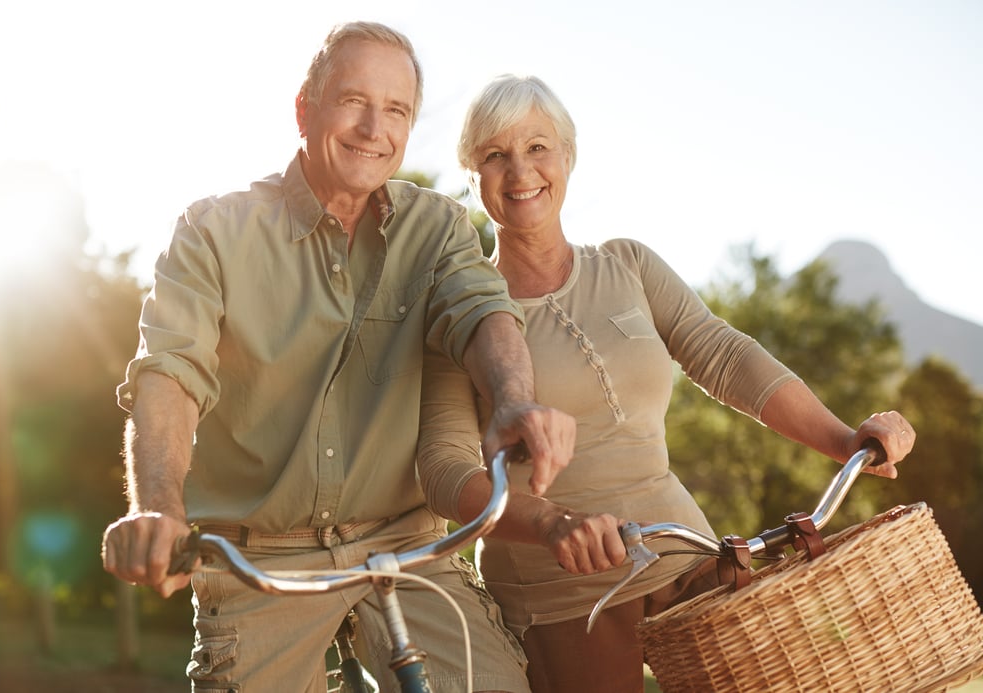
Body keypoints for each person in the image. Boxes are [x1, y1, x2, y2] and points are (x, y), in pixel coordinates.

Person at [101, 26, 577, 693]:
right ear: (305, 108)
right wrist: (160, 508)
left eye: (397, 110)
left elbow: (483, 310)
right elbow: (170, 374)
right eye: (354, 100)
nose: (372, 127)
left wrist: (513, 398)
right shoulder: (214, 231)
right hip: (261, 555)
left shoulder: (434, 227)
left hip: (409, 547)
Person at [416, 73, 917, 693]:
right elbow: (444, 471)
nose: (521, 171)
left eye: (538, 147)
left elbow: (725, 356)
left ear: (568, 156)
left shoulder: (629, 265)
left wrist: (845, 441)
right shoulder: (458, 315)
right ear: (472, 174)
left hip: (687, 551)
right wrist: (550, 523)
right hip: (562, 588)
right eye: (495, 155)